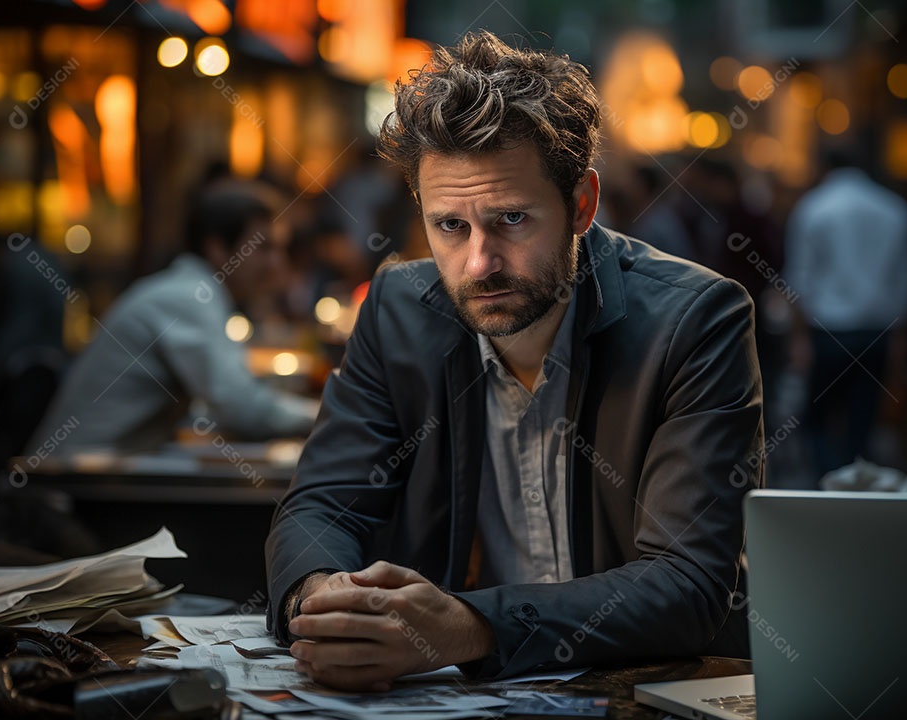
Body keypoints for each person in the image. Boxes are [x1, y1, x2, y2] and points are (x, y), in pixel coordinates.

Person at [267, 31, 764, 690]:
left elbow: (688, 583)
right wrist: (325, 600)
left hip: (648, 691)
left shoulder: (696, 321)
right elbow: (322, 507)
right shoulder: (396, 308)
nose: (479, 263)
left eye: (511, 220)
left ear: (581, 205)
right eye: (450, 226)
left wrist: (469, 626)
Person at [29, 179, 317, 454]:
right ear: (217, 249)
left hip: (96, 471)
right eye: (264, 248)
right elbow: (242, 407)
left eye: (280, 248)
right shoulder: (189, 297)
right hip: (75, 481)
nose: (277, 262)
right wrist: (328, 415)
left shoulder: (190, 290)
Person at [784, 150, 907, 481]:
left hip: (828, 332)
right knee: (862, 424)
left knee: (816, 421)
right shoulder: (894, 208)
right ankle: (853, 493)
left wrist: (799, 337)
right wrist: (900, 337)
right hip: (877, 332)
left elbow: (800, 278)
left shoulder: (814, 206)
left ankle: (828, 487)